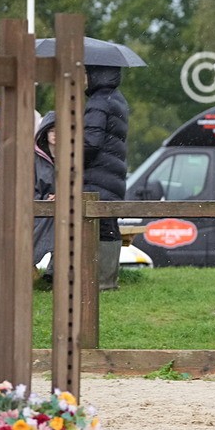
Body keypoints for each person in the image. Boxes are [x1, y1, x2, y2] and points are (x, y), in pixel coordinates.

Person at [83, 65, 130, 291]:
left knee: (99, 226)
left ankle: (101, 282)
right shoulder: (116, 98)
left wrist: (69, 151)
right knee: (108, 225)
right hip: (111, 173)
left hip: (97, 174)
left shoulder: (99, 101)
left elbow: (90, 143)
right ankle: (107, 280)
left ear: (94, 75)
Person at [32, 111, 57, 279]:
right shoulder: (34, 159)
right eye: (53, 130)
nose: (56, 135)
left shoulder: (73, 157)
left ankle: (54, 271)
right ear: (45, 133)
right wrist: (45, 199)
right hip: (38, 209)